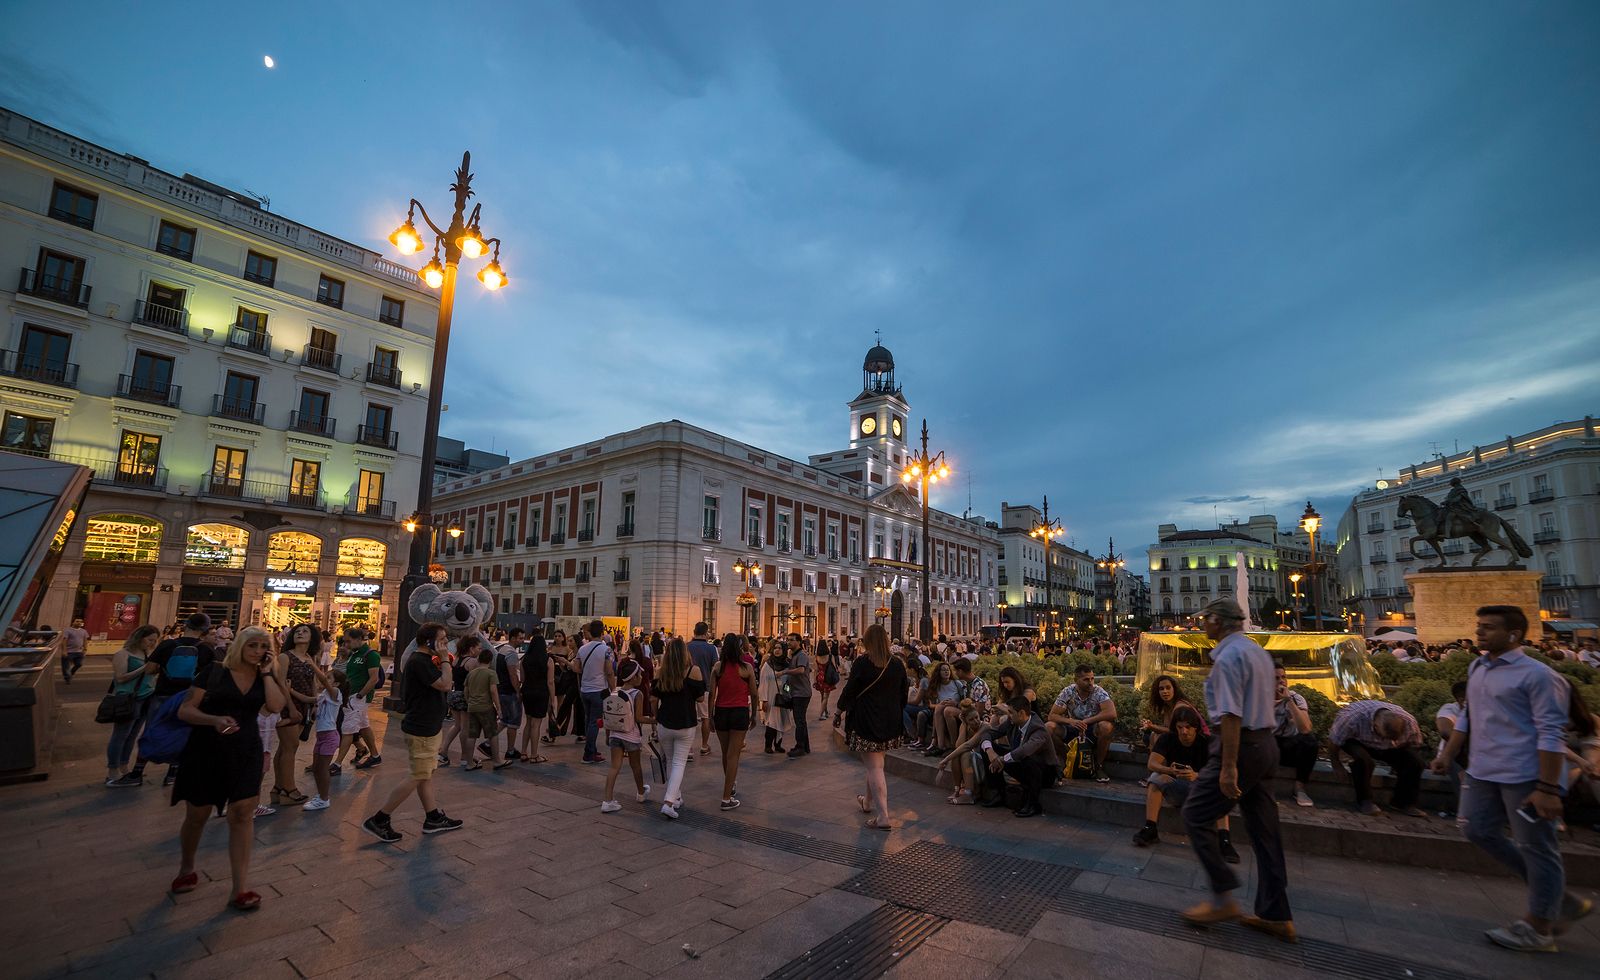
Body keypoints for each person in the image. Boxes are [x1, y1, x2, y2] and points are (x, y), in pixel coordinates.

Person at [1431, 605, 1591, 952]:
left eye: (1488, 628)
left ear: (1514, 635)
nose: (1479, 632)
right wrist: (1446, 755)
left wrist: (1548, 788)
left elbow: (1551, 735)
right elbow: (1466, 718)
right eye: (1479, 626)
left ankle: (1539, 928)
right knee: (1475, 829)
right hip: (1483, 770)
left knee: (1537, 846)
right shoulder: (1477, 667)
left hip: (1525, 774)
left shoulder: (1539, 676)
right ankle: (1558, 897)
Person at [1180, 598, 1294, 941]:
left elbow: (1231, 714)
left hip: (1240, 747)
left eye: (1205, 618)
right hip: (1265, 744)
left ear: (1218, 620)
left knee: (1196, 814)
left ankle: (1223, 897)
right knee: (1265, 831)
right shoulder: (1257, 651)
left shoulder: (1229, 657)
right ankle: (1276, 914)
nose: (1202, 624)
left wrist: (1227, 767)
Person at [168, 625, 288, 911]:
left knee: (243, 814)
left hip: (245, 748)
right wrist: (214, 720)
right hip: (206, 748)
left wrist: (269, 672)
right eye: (253, 645)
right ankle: (187, 867)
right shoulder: (214, 671)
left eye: (263, 646)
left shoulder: (263, 677)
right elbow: (185, 710)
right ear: (240, 646)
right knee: (198, 813)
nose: (258, 651)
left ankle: (240, 887)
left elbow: (275, 706)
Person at [363, 622, 463, 843]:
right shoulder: (420, 661)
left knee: (425, 774)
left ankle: (433, 817)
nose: (446, 644)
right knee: (418, 775)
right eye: (442, 640)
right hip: (422, 728)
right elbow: (446, 684)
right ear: (429, 642)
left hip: (427, 726)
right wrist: (445, 659)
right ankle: (380, 818)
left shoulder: (424, 661)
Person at [1133, 706, 1239, 861]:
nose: (1184, 732)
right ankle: (1150, 828)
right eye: (1180, 727)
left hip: (1203, 790)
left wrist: (1196, 775)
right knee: (1156, 778)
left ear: (1195, 728)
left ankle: (1224, 839)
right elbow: (1152, 763)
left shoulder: (1207, 742)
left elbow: (1221, 773)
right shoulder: (1168, 739)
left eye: (1188, 727)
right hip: (1178, 786)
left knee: (1220, 787)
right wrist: (1169, 770)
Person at [836, 624, 908, 830]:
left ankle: (884, 816)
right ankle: (867, 802)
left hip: (867, 720)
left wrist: (838, 711)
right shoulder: (897, 664)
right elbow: (903, 693)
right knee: (875, 763)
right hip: (890, 720)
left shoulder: (863, 663)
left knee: (875, 766)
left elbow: (850, 690)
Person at [136, 612, 213, 787]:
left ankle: (137, 771)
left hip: (163, 694)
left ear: (186, 625)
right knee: (183, 733)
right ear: (205, 629)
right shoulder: (206, 648)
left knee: (151, 731)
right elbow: (211, 676)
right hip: (189, 697)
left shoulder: (168, 644)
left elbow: (149, 669)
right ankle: (173, 773)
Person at [1328, 700, 1425, 816]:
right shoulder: (1352, 719)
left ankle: (1403, 803)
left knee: (1416, 762)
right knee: (1363, 761)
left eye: (1393, 738)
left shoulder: (1409, 721)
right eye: (1384, 737)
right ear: (1375, 726)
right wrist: (1336, 764)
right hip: (1357, 740)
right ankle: (1365, 801)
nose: (1387, 741)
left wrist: (1401, 764)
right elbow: (1334, 740)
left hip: (1392, 748)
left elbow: (1415, 744)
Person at [653, 637, 707, 819]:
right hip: (685, 722)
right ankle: (669, 802)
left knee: (670, 761)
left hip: (664, 722)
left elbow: (654, 698)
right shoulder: (694, 671)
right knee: (678, 763)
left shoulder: (660, 672)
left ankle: (676, 797)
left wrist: (655, 717)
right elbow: (700, 698)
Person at [979, 696, 1060, 818]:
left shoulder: (1038, 729)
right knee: (986, 747)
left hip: (1045, 773)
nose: (1008, 715)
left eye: (1011, 712)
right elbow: (988, 733)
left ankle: (1033, 804)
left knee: (1027, 757)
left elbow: (1025, 750)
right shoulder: (1012, 723)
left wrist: (1001, 759)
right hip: (1022, 763)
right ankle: (998, 792)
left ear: (1021, 713)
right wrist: (991, 752)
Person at [270, 624, 322, 806]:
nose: (300, 633)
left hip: (305, 706)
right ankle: (289, 790)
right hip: (288, 706)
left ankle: (277, 788)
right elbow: (281, 683)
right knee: (290, 747)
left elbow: (313, 681)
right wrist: (291, 708)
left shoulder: (310, 657)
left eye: (305, 631)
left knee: (285, 748)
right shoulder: (285, 657)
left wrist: (314, 702)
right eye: (297, 632)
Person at [105, 625, 162, 787]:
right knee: (121, 734)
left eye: (154, 640)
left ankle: (124, 765)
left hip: (147, 697)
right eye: (149, 639)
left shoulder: (148, 654)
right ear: (139, 637)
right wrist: (145, 668)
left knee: (133, 735)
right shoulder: (123, 654)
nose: (152, 643)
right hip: (128, 698)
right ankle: (112, 769)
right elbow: (120, 678)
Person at [711, 634, 759, 810]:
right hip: (739, 712)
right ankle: (726, 798)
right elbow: (754, 693)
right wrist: (754, 714)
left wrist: (710, 717)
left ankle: (730, 786)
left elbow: (711, 695)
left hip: (721, 712)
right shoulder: (746, 667)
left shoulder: (718, 667)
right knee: (734, 755)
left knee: (725, 753)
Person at [1048, 665, 1117, 783]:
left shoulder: (1098, 691)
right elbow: (1052, 716)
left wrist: (1086, 721)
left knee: (1106, 727)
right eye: (1086, 679)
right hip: (1073, 728)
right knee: (1049, 727)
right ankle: (1066, 758)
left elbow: (1111, 713)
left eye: (1092, 678)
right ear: (1076, 681)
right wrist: (1071, 721)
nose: (1090, 682)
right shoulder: (1068, 691)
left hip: (1092, 729)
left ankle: (1098, 766)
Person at [600, 659, 651, 812]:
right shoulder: (637, 693)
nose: (641, 677)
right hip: (631, 735)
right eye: (639, 675)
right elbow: (639, 718)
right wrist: (655, 720)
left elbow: (608, 716)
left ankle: (607, 800)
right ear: (633, 677)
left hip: (615, 734)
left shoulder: (615, 691)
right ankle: (641, 793)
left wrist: (608, 735)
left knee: (614, 767)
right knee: (636, 766)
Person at [1271, 666, 1318, 808]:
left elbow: (1306, 728)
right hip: (1267, 745)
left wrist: (1289, 701)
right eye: (1276, 678)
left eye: (1283, 677)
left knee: (1310, 741)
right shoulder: (1258, 699)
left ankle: (1300, 788)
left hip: (1288, 746)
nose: (1281, 682)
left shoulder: (1296, 698)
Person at [338, 628, 383, 771]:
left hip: (358, 697)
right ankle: (375, 756)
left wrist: (360, 695)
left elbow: (374, 678)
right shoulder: (354, 654)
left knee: (348, 730)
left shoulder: (371, 655)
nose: (346, 644)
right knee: (363, 726)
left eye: (348, 641)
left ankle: (337, 763)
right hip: (351, 695)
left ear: (358, 639)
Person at [304, 668, 348, 810]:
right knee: (316, 768)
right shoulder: (324, 694)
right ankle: (320, 796)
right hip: (321, 736)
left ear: (336, 684)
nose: (325, 679)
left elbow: (322, 680)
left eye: (329, 678)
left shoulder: (336, 694)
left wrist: (312, 663)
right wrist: (289, 691)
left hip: (329, 736)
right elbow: (310, 699)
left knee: (322, 769)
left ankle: (324, 799)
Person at [572, 621, 616, 765]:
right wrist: (613, 690)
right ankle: (588, 754)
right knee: (594, 722)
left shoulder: (583, 649)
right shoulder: (606, 650)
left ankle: (592, 748)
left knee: (588, 720)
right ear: (602, 632)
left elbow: (577, 669)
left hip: (585, 689)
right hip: (599, 690)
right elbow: (609, 672)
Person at [464, 645, 511, 770]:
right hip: (486, 707)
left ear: (479, 660)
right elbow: (493, 691)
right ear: (490, 661)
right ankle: (497, 761)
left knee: (472, 735)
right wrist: (499, 708)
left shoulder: (471, 674)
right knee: (493, 734)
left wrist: (470, 701)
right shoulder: (491, 673)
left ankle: (469, 763)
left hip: (472, 707)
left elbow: (466, 691)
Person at [518, 633, 554, 763]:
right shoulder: (548, 660)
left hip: (527, 691)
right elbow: (550, 682)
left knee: (528, 722)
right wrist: (552, 698)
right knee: (536, 724)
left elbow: (522, 679)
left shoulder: (524, 660)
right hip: (541, 692)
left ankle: (523, 752)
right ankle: (534, 755)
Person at [687, 622, 720, 757]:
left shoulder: (686, 646)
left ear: (694, 631)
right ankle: (704, 745)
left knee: (689, 717)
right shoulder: (711, 649)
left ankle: (688, 748)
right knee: (705, 717)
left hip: (687, 686)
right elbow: (715, 668)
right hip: (705, 686)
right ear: (706, 633)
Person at [493, 630, 524, 761]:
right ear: (512, 638)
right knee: (513, 722)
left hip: (501, 689)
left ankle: (489, 743)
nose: (522, 640)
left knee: (504, 720)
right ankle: (510, 750)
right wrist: (518, 691)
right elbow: (512, 674)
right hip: (509, 691)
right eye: (520, 638)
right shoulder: (511, 653)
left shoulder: (502, 650)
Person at [782, 637, 814, 759]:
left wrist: (785, 672)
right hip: (797, 692)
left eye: (791, 640)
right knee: (801, 720)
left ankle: (800, 746)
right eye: (788, 640)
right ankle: (805, 746)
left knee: (799, 720)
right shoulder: (794, 655)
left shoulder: (801, 655)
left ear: (799, 642)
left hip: (801, 693)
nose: (789, 642)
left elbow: (801, 670)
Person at [759, 642, 791, 754]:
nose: (777, 650)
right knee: (771, 722)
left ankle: (778, 745)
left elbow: (789, 682)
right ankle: (768, 745)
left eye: (780, 648)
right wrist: (764, 700)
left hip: (782, 698)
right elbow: (763, 683)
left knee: (781, 722)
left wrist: (787, 695)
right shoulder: (768, 665)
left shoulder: (787, 665)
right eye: (775, 648)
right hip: (771, 698)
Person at [815, 640, 840, 720]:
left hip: (820, 677)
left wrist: (815, 680)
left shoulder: (817, 657)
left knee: (822, 696)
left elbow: (816, 670)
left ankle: (826, 712)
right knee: (826, 697)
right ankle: (821, 714)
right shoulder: (830, 656)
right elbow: (834, 666)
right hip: (828, 677)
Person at [60, 617, 89, 682]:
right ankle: (67, 678)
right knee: (66, 667)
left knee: (79, 664)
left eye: (80, 622)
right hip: (69, 652)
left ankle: (71, 673)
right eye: (77, 621)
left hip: (79, 652)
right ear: (73, 622)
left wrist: (85, 649)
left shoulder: (84, 631)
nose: (79, 623)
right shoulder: (68, 630)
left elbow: (85, 640)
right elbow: (64, 641)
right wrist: (64, 651)